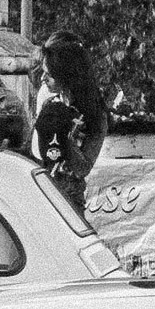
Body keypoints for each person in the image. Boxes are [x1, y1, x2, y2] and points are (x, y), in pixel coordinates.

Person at [33, 40, 105, 212]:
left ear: (66, 75)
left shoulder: (94, 114)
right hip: (40, 191)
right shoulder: (49, 103)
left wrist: (65, 140)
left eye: (48, 74)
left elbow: (82, 169)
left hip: (69, 198)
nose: (43, 78)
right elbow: (35, 152)